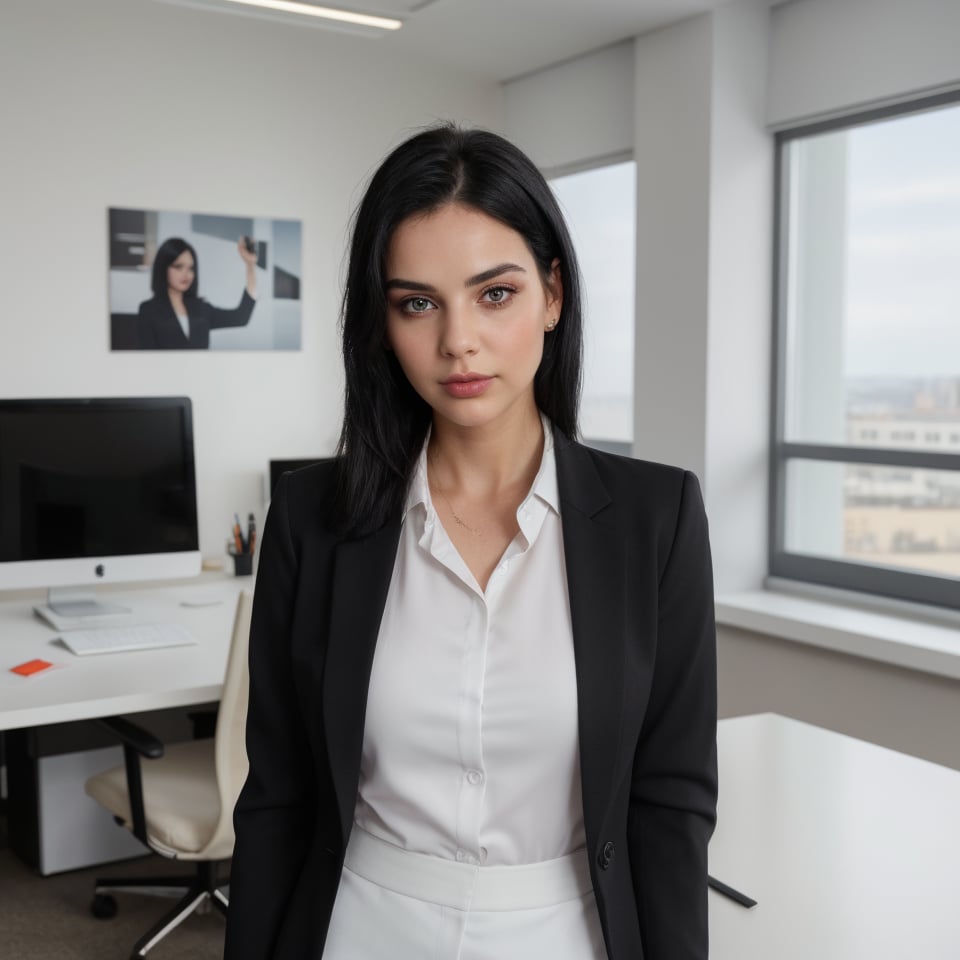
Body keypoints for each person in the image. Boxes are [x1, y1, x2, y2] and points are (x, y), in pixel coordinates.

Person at [225, 124, 717, 960]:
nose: (458, 341)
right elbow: (279, 796)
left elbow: (670, 804)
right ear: (382, 323)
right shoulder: (311, 516)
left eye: (495, 294)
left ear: (552, 295)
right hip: (360, 928)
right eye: (418, 302)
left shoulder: (656, 517)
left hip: (567, 932)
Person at [137, 236, 257, 349]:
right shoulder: (148, 310)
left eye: (191, 268)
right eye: (178, 266)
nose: (186, 274)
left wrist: (250, 265)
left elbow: (241, 317)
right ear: (163, 268)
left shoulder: (201, 308)